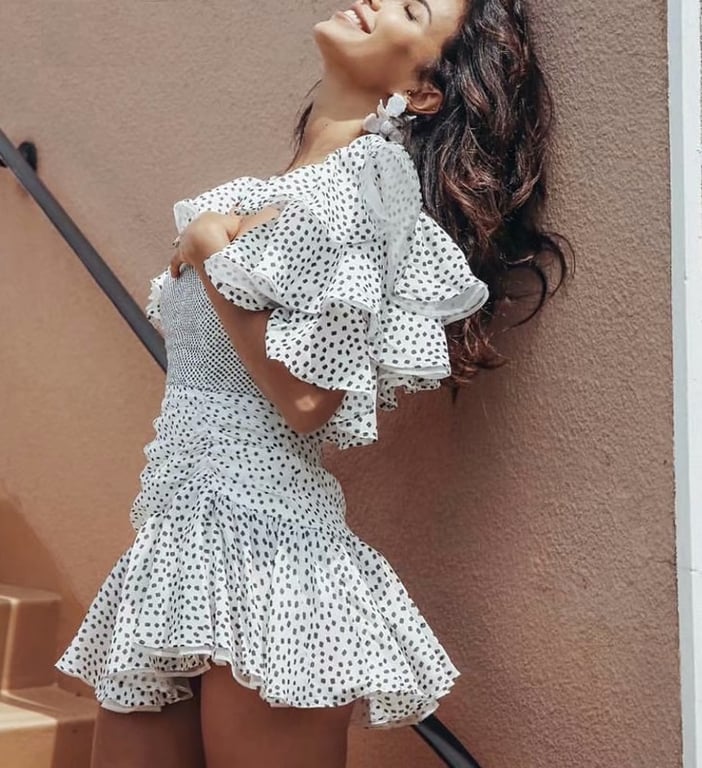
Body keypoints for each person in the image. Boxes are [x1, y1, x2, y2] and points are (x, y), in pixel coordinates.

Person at [56, 0, 569, 766]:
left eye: (411, 9)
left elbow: (307, 403)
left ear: (422, 91)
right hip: (176, 544)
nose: (375, 0)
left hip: (274, 564)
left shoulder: (369, 191)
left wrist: (213, 260)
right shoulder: (261, 194)